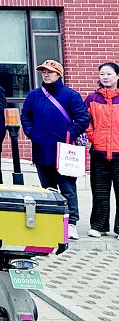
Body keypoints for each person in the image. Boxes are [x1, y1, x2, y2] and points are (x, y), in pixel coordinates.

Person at [21, 60, 89, 240]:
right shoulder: (34, 95)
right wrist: (31, 133)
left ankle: (71, 223)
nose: (46, 74)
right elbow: (25, 116)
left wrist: (69, 134)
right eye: (43, 72)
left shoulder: (71, 95)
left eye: (50, 72)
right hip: (41, 150)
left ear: (59, 74)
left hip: (64, 151)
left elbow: (83, 119)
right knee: (47, 190)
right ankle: (52, 221)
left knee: (68, 189)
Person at [84, 62, 119, 238]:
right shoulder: (92, 98)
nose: (105, 77)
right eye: (102, 74)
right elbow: (84, 121)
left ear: (117, 76)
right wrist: (94, 137)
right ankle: (99, 226)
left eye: (109, 74)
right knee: (99, 193)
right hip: (99, 153)